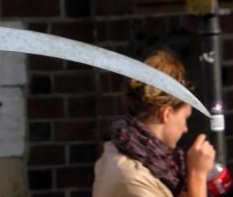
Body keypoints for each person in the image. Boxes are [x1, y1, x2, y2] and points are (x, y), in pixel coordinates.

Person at [92, 49, 215, 197]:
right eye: (185, 118)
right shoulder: (133, 179)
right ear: (166, 114)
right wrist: (197, 176)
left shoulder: (149, 161)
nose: (185, 129)